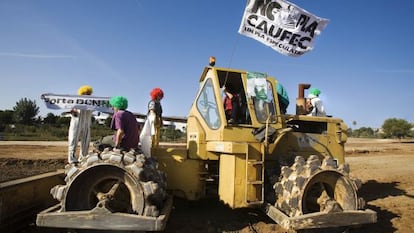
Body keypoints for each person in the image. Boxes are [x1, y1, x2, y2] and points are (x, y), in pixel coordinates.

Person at [68, 85, 93, 165]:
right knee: (73, 140)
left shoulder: (92, 102)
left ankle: (83, 158)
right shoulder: (76, 101)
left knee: (86, 141)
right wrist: (73, 111)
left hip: (86, 123)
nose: (87, 94)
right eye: (85, 93)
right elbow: (72, 110)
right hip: (76, 123)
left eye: (88, 93)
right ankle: (72, 159)